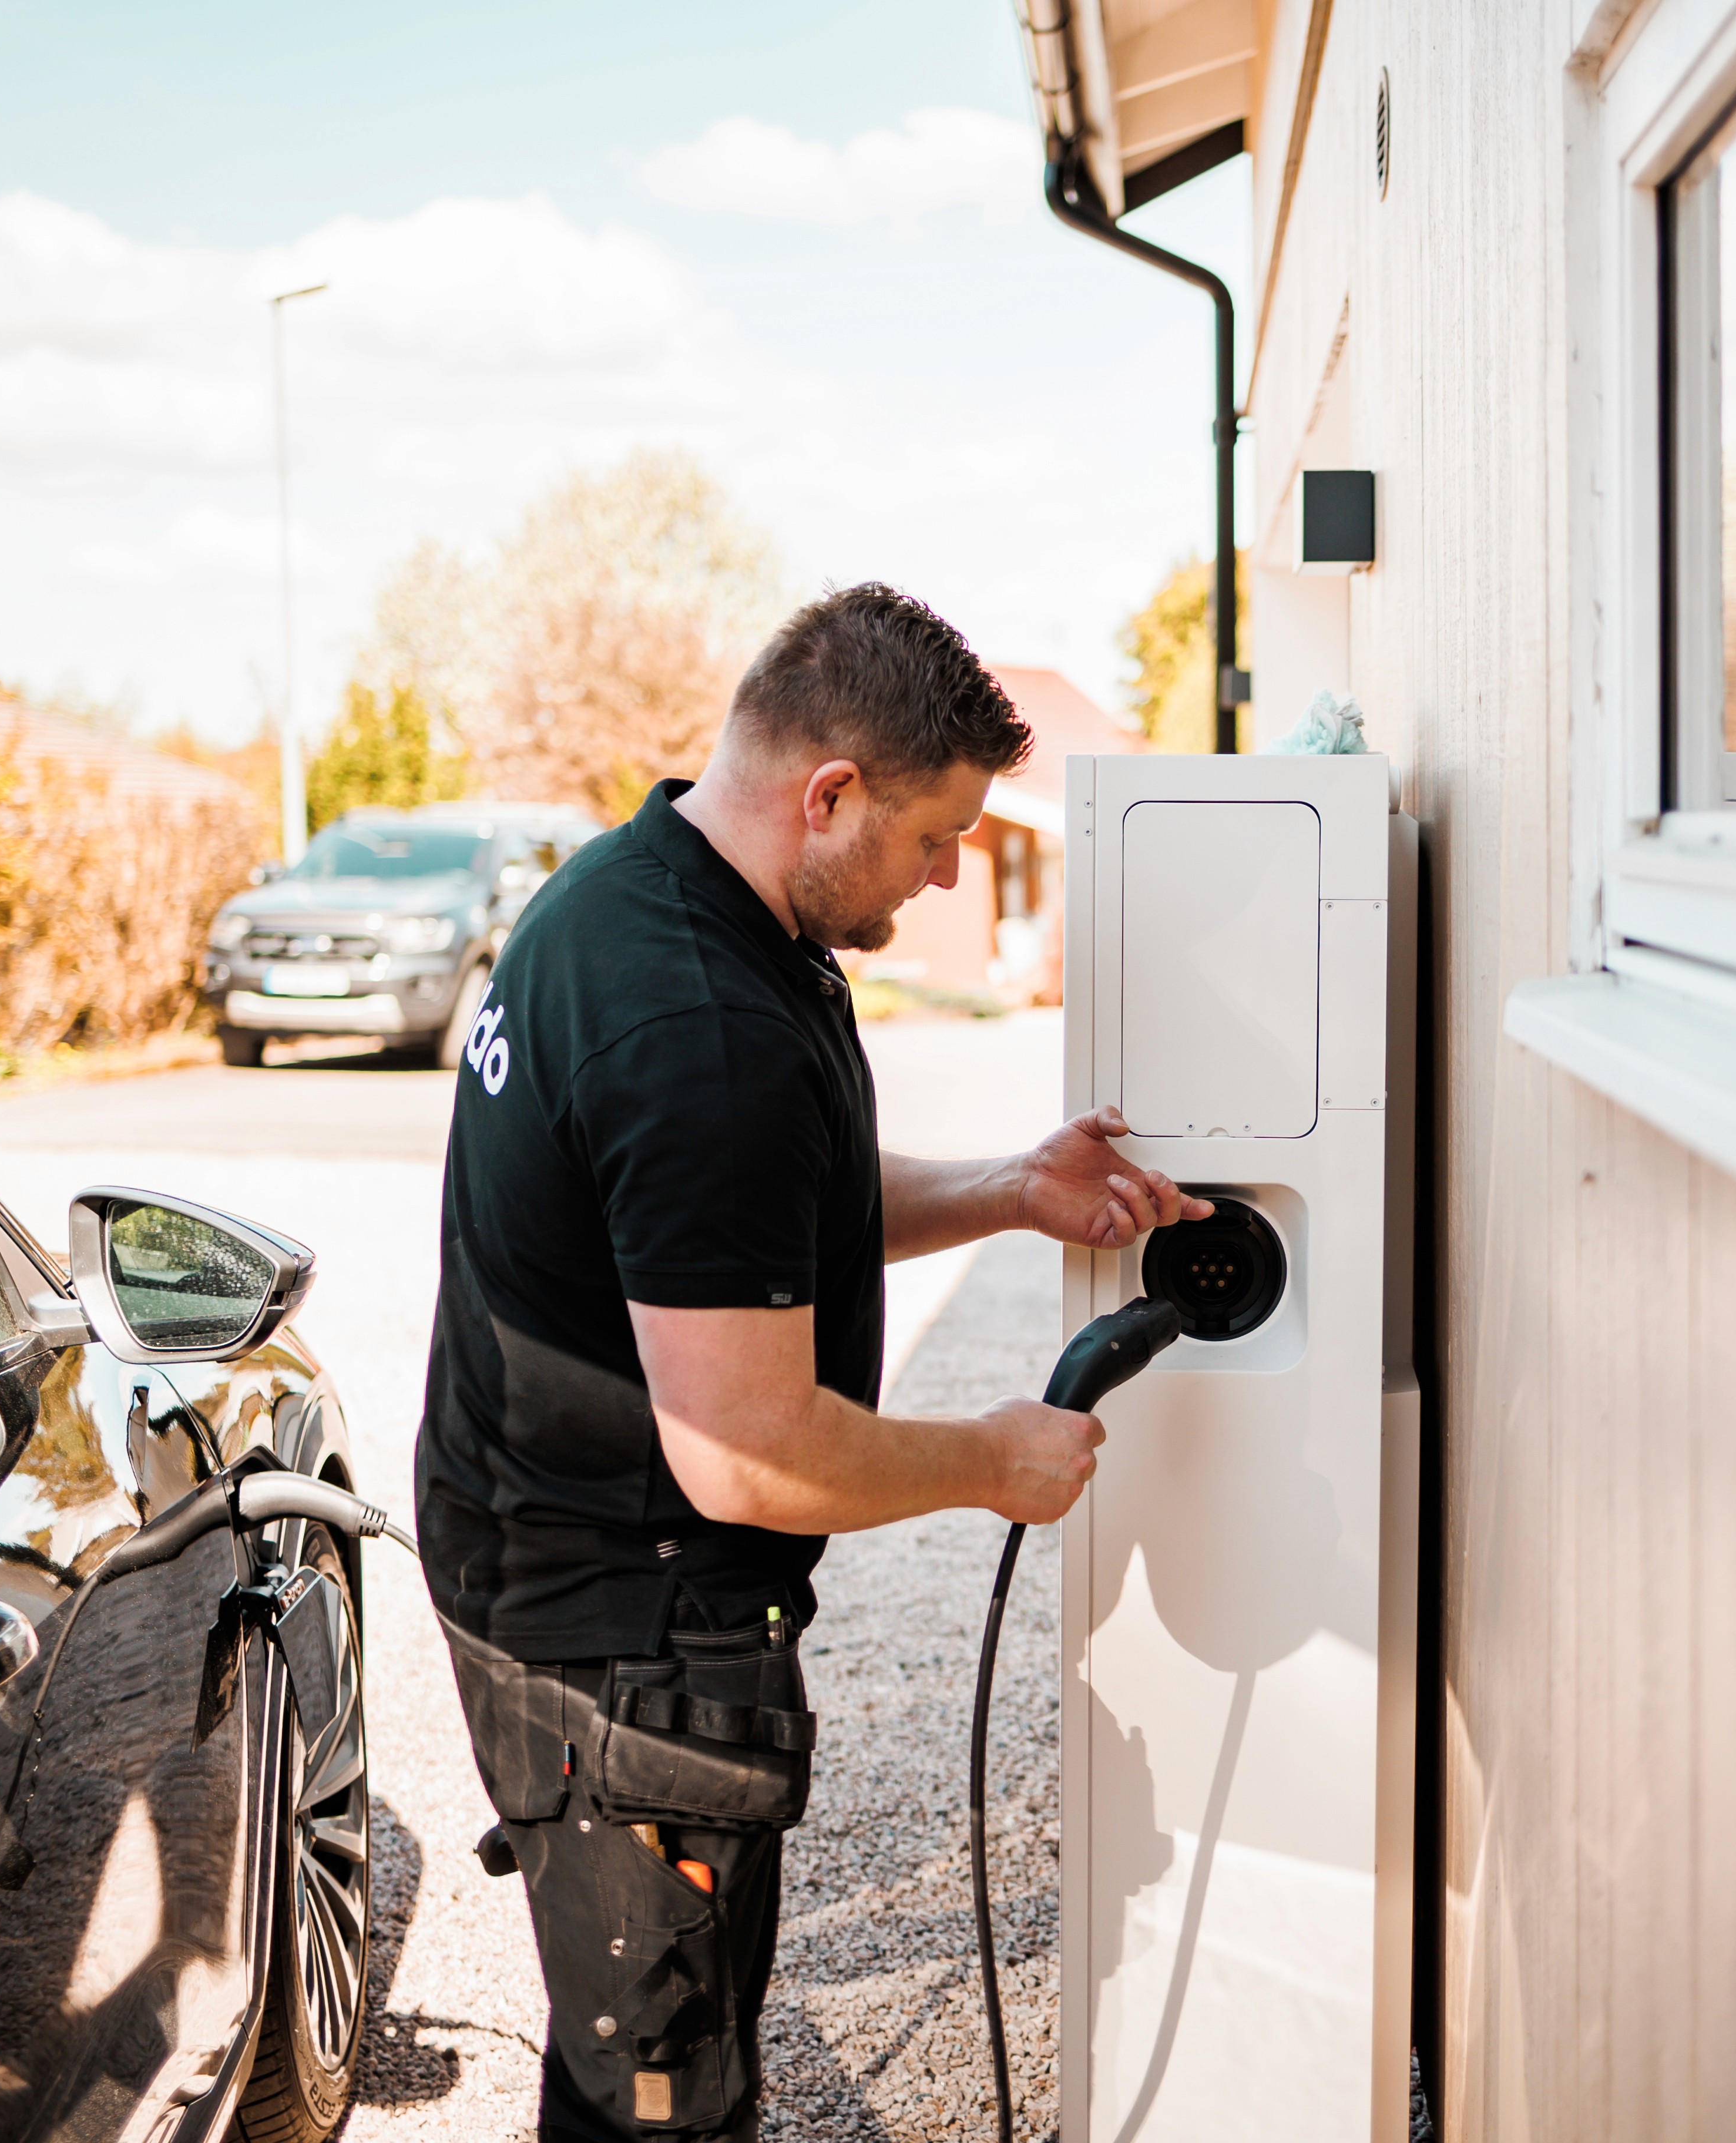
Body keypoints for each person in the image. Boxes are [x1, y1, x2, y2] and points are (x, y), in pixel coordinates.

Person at [415, 582, 1207, 2139]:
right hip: (619, 1637)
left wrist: (1009, 1188)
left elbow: (743, 1232)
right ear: (828, 793)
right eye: (934, 836)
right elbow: (748, 1451)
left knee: (632, 2052)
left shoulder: (648, 895)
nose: (950, 871)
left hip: (540, 1554)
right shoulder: (696, 1022)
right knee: (661, 2094)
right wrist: (991, 1461)